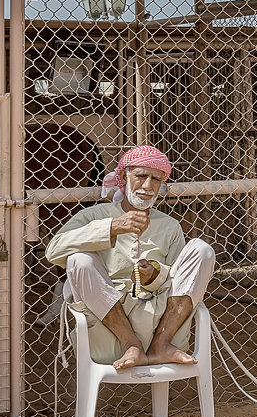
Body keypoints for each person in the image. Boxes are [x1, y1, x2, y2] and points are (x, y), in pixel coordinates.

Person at [46, 145, 215, 370]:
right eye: (140, 176)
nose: (147, 186)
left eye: (156, 179)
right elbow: (53, 250)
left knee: (202, 249)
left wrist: (155, 274)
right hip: (108, 336)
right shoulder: (94, 216)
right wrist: (112, 227)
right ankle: (131, 344)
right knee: (80, 260)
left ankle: (160, 345)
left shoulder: (170, 226)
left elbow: (180, 283)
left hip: (161, 327)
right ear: (123, 178)